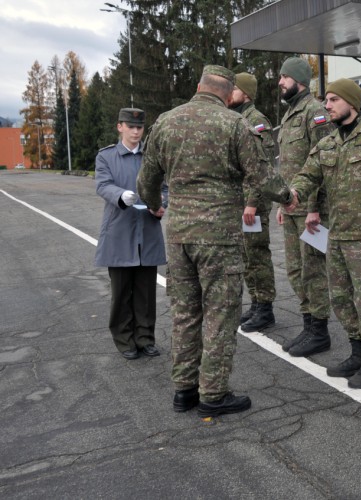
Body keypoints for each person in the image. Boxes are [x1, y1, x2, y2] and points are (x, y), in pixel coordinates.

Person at [137, 65, 296, 418]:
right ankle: (213, 393)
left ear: (199, 88)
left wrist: (155, 204)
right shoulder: (234, 125)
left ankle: (184, 389)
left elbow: (146, 181)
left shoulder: (165, 122)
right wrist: (287, 197)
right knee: (220, 314)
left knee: (185, 313)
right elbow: (262, 176)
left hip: (179, 237)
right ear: (227, 94)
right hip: (219, 239)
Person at [291, 79, 361, 389]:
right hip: (337, 234)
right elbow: (307, 176)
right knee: (340, 298)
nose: (326, 105)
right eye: (326, 100)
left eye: (333, 100)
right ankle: (357, 353)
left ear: (351, 103)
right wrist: (292, 194)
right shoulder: (328, 143)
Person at [276, 57, 336, 357]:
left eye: (284, 77)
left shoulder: (316, 112)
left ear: (299, 80)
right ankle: (308, 324)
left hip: (311, 211)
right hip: (292, 208)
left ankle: (319, 331)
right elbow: (288, 166)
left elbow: (323, 163)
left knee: (313, 270)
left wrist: (313, 207)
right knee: (295, 270)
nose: (280, 82)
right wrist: (282, 203)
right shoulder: (290, 114)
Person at [95, 107, 166, 361]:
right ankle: (125, 339)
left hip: (147, 230)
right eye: (131, 126)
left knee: (146, 293)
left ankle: (145, 338)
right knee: (121, 293)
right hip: (120, 232)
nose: (136, 132)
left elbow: (165, 187)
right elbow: (102, 185)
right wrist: (119, 195)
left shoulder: (152, 157)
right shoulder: (106, 156)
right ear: (120, 127)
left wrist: (161, 204)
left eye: (139, 127)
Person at [230, 72, 278, 333]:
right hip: (244, 202)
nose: (229, 93)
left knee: (257, 254)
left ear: (245, 93)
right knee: (247, 255)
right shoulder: (239, 118)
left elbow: (263, 167)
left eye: (234, 89)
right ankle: (257, 303)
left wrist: (251, 202)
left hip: (254, 204)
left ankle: (265, 308)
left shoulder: (257, 121)